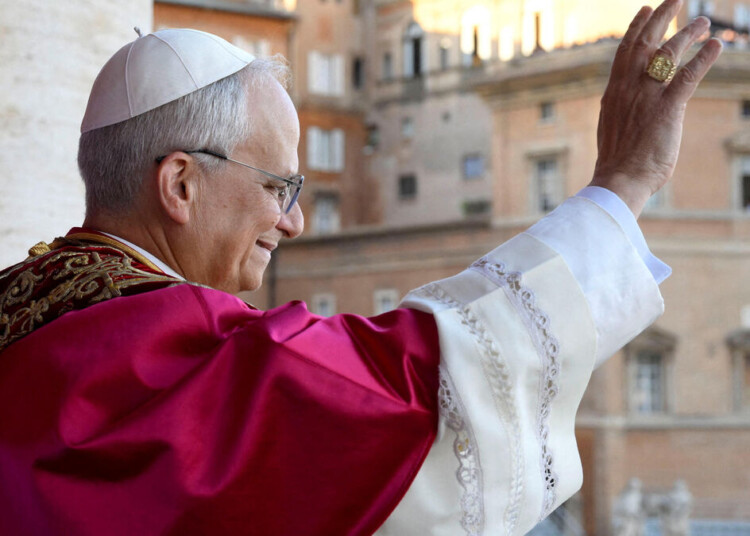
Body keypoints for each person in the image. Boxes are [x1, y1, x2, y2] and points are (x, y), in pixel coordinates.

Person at [0, 0, 722, 534]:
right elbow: (418, 389)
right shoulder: (175, 345)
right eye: (279, 187)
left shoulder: (23, 304)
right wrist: (622, 184)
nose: (295, 222)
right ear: (181, 185)